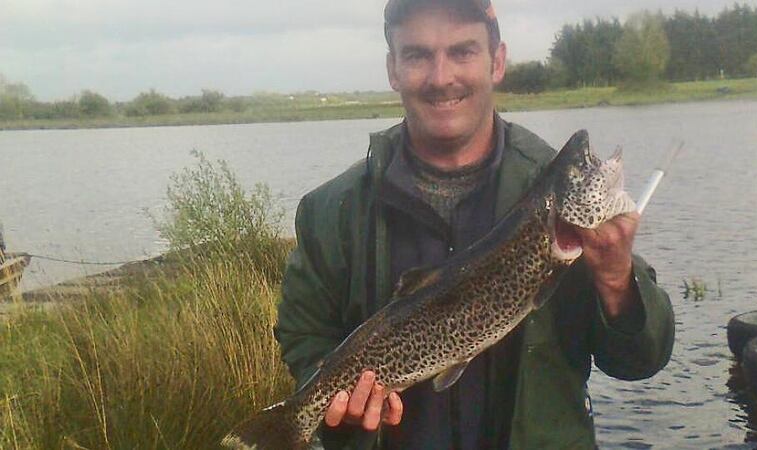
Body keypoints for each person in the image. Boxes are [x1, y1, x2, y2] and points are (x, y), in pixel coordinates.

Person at [274, 0, 675, 448]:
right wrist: (337, 404)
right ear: (393, 69)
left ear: (497, 61)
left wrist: (618, 279)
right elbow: (303, 332)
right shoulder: (332, 210)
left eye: (462, 51)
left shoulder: (553, 197)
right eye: (418, 55)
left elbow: (641, 361)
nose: (441, 77)